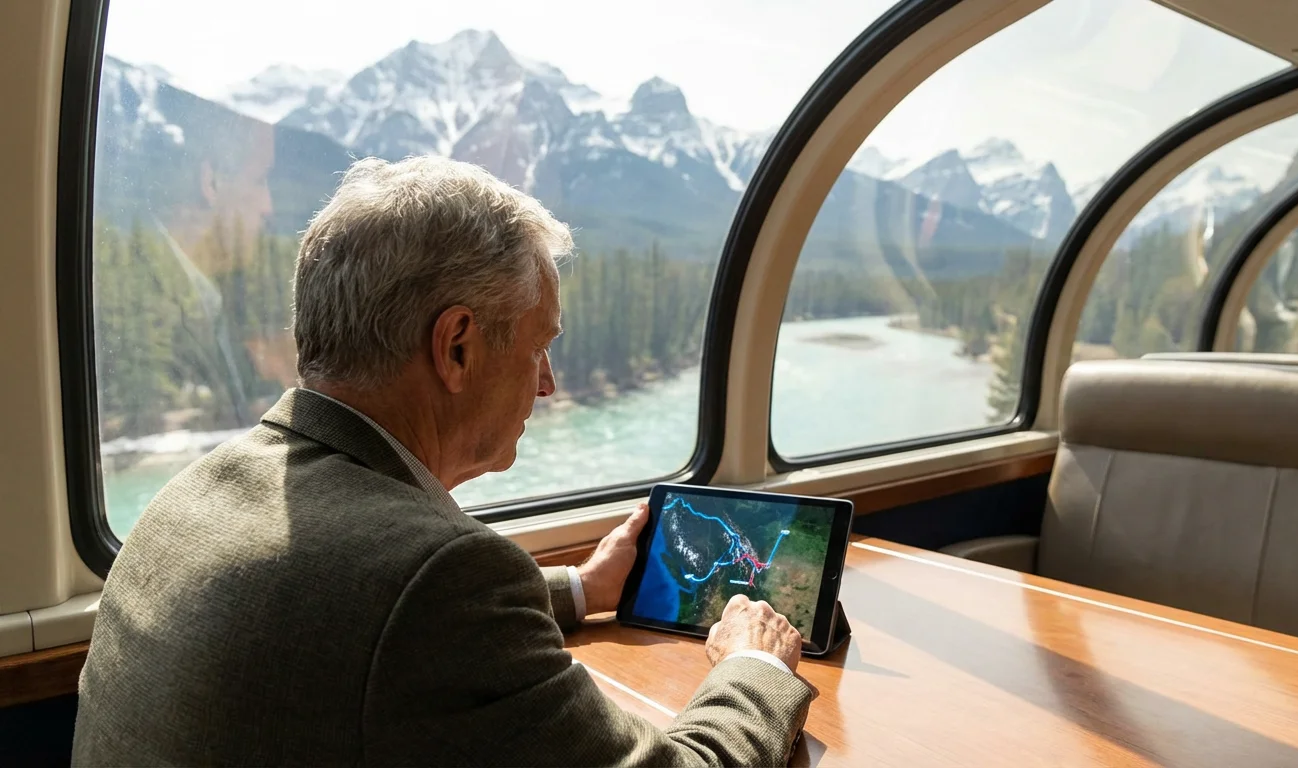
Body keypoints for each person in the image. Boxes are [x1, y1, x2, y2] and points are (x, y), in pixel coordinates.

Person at [72, 156, 814, 766]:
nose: (549, 381)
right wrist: (755, 667)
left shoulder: (189, 500)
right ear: (456, 345)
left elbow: (353, 624)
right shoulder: (439, 584)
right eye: (539, 346)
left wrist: (582, 589)